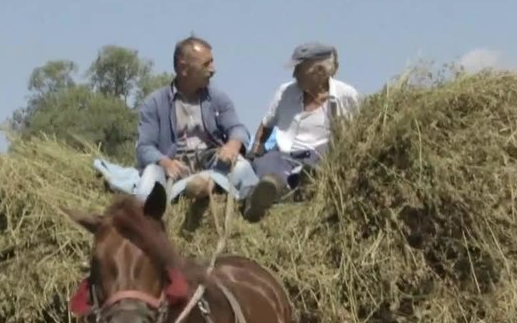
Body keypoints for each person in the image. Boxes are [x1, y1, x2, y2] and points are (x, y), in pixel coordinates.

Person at [241, 42, 361, 221]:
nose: (294, 74)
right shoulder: (285, 92)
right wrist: (254, 152)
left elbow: (357, 133)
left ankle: (291, 190)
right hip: (283, 159)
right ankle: (268, 192)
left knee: (310, 174)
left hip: (320, 161)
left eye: (299, 69)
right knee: (266, 164)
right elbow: (266, 125)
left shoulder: (346, 96)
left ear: (320, 71)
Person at [134, 36, 258, 204]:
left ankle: (253, 202)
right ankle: (141, 214)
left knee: (242, 165)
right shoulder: (155, 103)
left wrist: (232, 145)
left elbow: (237, 128)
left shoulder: (218, 98)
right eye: (206, 64)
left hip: (214, 168)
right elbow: (144, 147)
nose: (213, 70)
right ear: (183, 68)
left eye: (212, 62)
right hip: (174, 173)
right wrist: (165, 163)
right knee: (150, 172)